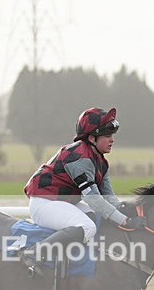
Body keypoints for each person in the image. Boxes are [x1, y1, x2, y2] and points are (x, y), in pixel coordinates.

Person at [22, 107, 146, 268]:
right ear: (92, 138)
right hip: (43, 204)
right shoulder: (79, 157)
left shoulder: (100, 161)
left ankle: (77, 265)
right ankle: (34, 252)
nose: (112, 140)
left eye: (112, 136)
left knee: (96, 217)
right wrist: (124, 221)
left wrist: (124, 210)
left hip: (61, 203)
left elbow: (108, 197)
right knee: (87, 227)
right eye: (107, 136)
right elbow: (93, 199)